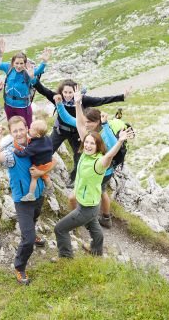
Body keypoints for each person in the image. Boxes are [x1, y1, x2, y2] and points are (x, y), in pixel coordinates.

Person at [54, 86, 134, 258]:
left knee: (59, 228)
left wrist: (120, 141)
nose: (88, 144)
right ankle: (97, 250)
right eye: (87, 142)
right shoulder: (87, 147)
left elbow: (110, 154)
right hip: (88, 200)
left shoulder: (99, 159)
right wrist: (76, 103)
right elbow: (78, 123)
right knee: (94, 226)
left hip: (89, 202)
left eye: (92, 143)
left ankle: (66, 259)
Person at [32, 78, 131, 185]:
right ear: (61, 91)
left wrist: (121, 97)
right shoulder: (58, 98)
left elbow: (101, 100)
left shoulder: (83, 101)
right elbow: (43, 90)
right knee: (48, 150)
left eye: (71, 92)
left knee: (78, 155)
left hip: (77, 132)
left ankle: (74, 179)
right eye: (65, 92)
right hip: (60, 130)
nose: (68, 95)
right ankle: (40, 169)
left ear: (76, 92)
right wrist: (34, 79)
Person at [0, 117, 56, 285]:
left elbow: (52, 161)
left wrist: (41, 174)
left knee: (35, 218)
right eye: (15, 131)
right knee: (27, 239)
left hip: (38, 194)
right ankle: (19, 267)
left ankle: (32, 234)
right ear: (11, 133)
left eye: (21, 129)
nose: (19, 133)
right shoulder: (12, 153)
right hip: (23, 200)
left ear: (27, 128)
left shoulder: (35, 143)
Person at [54, 95, 122, 228]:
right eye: (84, 122)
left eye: (88, 122)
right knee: (101, 192)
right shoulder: (88, 131)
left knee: (86, 194)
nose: (85, 125)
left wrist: (106, 125)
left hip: (102, 171)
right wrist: (60, 104)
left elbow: (114, 145)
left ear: (97, 122)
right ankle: (106, 218)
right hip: (102, 170)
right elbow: (69, 119)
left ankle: (79, 218)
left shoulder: (104, 134)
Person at [0, 35, 51, 127]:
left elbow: (38, 71)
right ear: (13, 63)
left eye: (21, 63)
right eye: (16, 63)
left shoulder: (28, 73)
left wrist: (44, 62)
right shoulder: (8, 68)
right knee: (12, 127)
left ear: (25, 64)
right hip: (8, 106)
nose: (18, 66)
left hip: (23, 107)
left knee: (27, 128)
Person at [13, 119, 54, 201]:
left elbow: (23, 154)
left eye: (31, 129)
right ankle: (50, 187)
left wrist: (15, 150)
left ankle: (31, 195)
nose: (29, 129)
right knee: (45, 176)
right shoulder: (47, 138)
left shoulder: (34, 146)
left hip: (41, 165)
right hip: (48, 162)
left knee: (34, 178)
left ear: (38, 135)